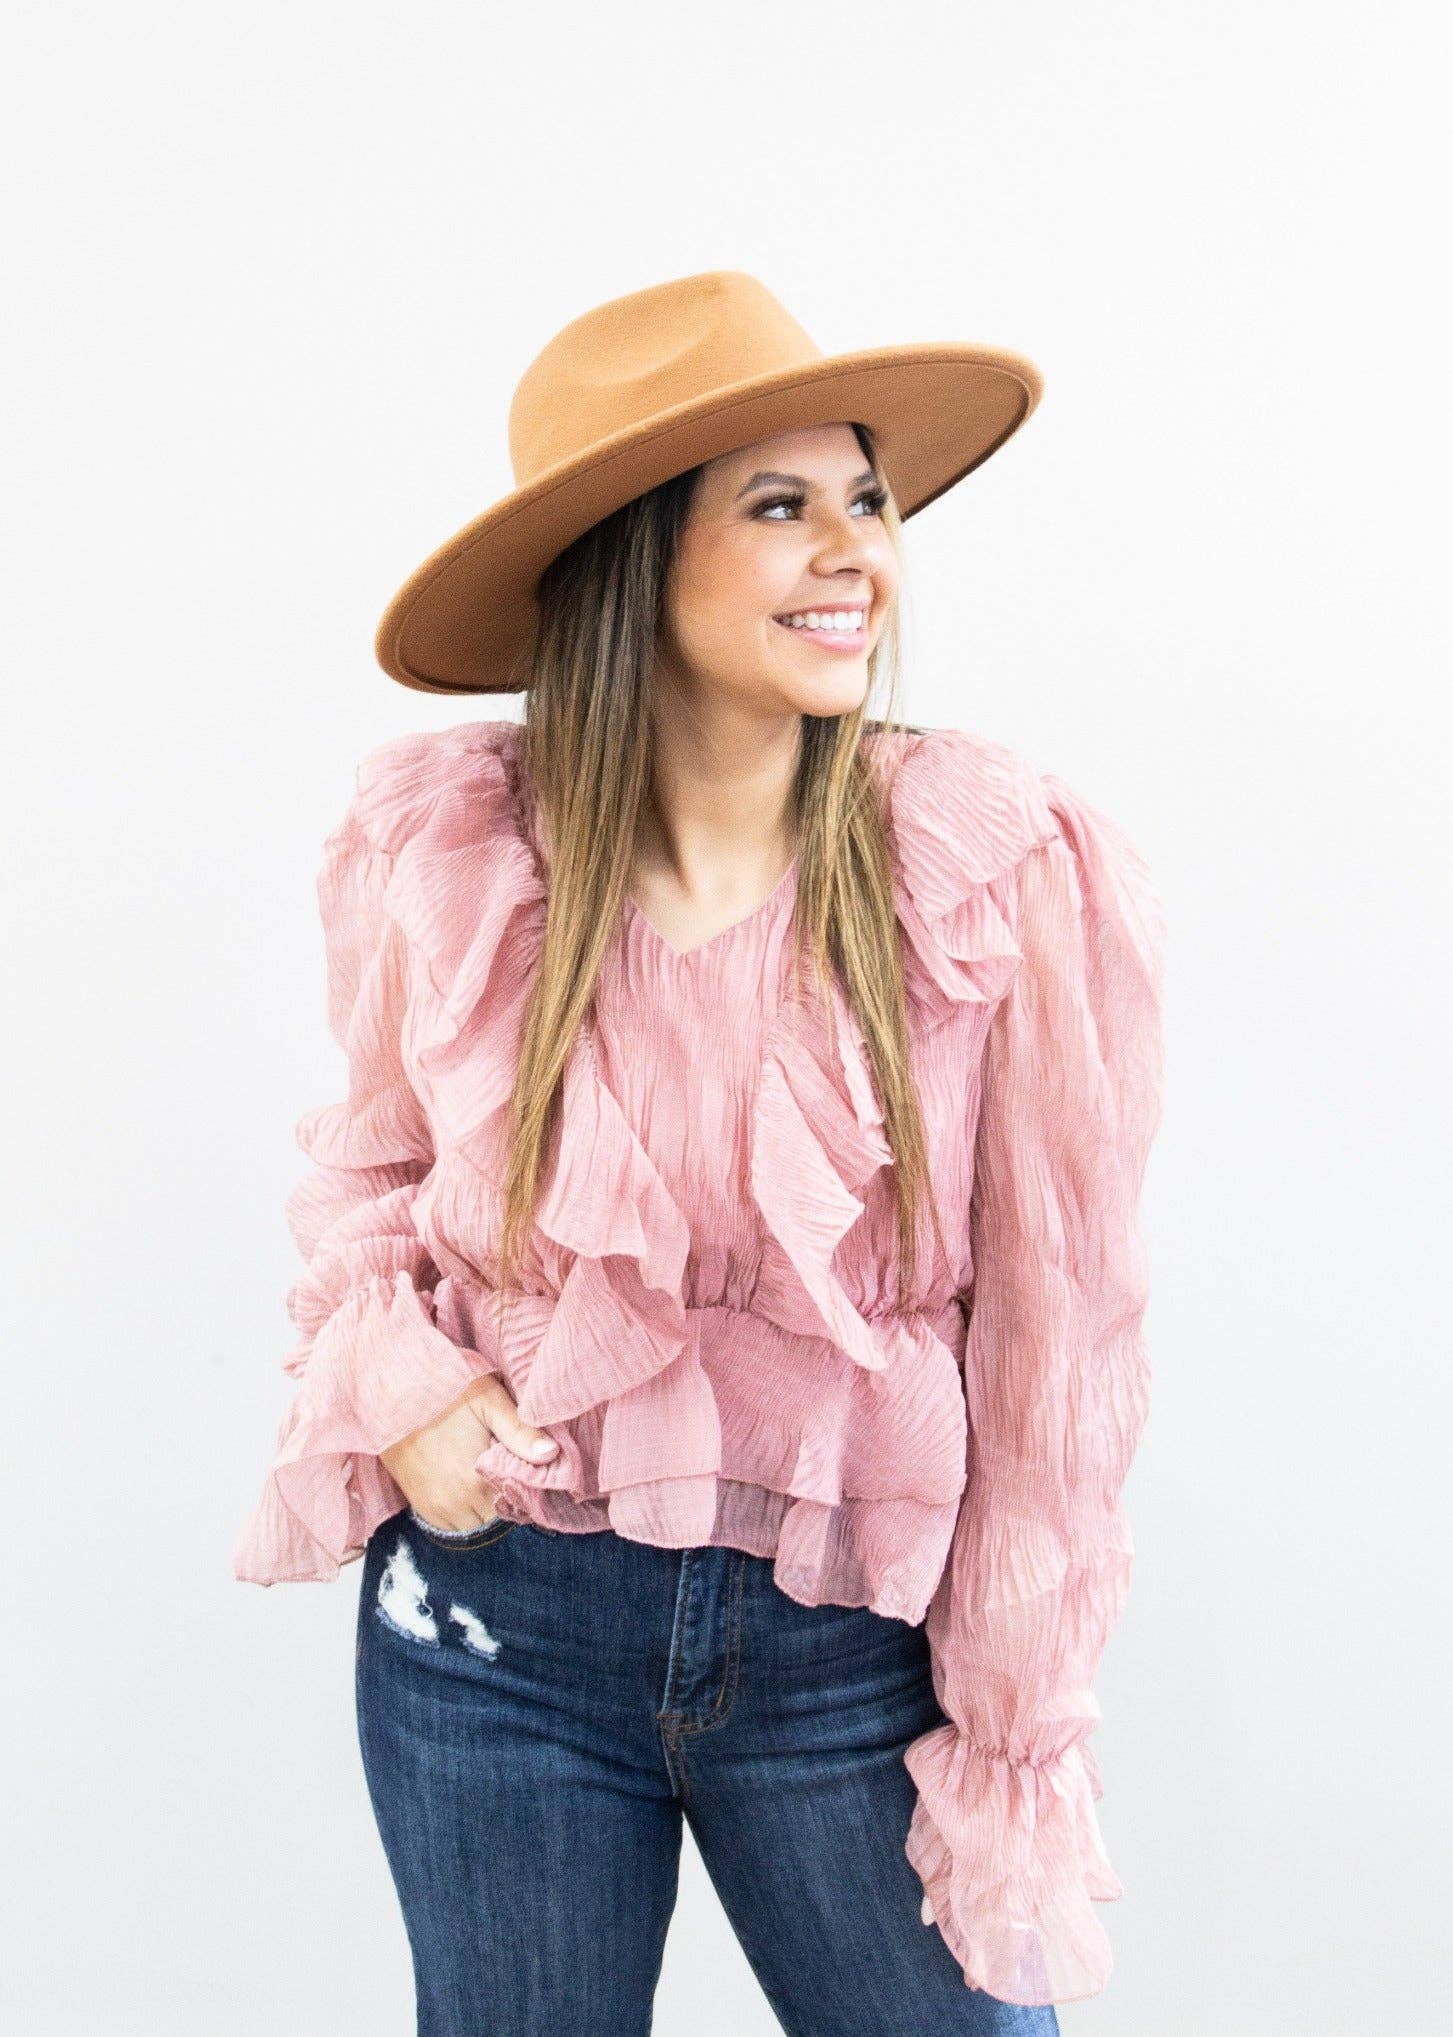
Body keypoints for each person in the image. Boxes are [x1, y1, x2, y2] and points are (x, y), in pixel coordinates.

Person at [234, 271, 1167, 2035]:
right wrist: (394, 1374)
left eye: (865, 499)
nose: (856, 553)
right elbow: (367, 1169)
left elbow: (1060, 1345)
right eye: (780, 506)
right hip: (491, 1633)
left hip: (852, 1660)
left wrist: (1012, 1727)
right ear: (630, 562)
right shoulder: (449, 851)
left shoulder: (985, 867)